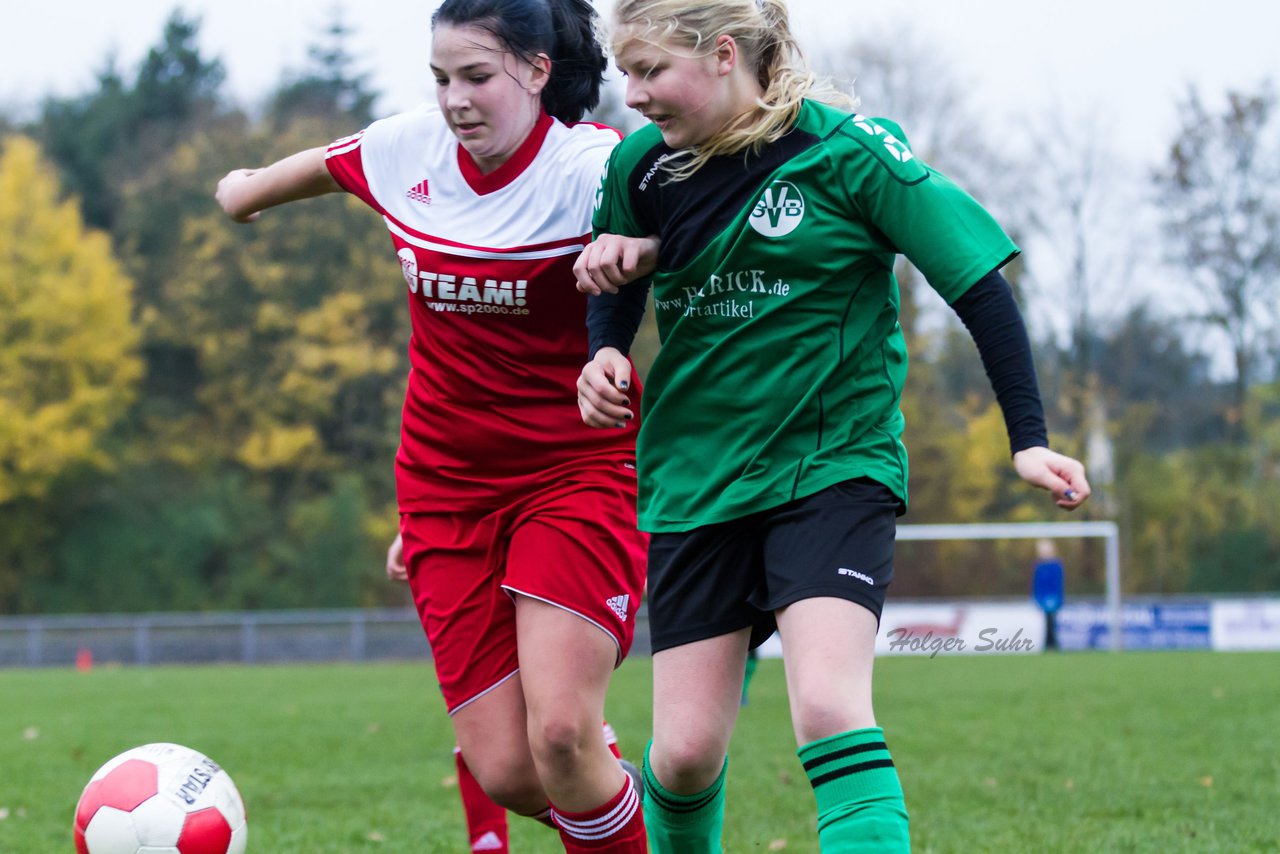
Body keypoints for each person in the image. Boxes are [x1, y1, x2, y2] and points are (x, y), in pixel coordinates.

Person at [573, 1, 1092, 850]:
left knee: (827, 706)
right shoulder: (641, 167)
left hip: (832, 467)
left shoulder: (847, 151)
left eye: (649, 71)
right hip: (695, 477)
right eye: (625, 73)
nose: (630, 95)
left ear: (724, 54)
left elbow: (976, 283)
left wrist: (1027, 437)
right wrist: (604, 353)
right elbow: (616, 266)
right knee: (686, 754)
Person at [216, 1, 651, 850]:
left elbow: (706, 218)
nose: (455, 99)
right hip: (444, 492)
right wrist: (241, 193)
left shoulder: (597, 169)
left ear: (535, 70)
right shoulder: (405, 149)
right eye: (442, 78)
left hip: (577, 475)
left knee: (562, 733)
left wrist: (648, 250)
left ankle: (625, 810)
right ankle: (630, 808)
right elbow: (320, 166)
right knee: (512, 772)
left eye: (477, 77)